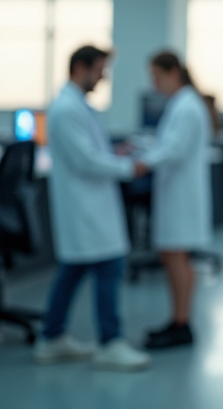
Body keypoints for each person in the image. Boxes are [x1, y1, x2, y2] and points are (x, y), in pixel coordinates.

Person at [35, 45, 151, 370]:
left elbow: (89, 152)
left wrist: (115, 152)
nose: (103, 76)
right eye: (100, 69)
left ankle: (52, 337)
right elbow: (85, 161)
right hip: (83, 205)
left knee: (72, 270)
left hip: (90, 202)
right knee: (108, 266)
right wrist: (130, 167)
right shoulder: (65, 109)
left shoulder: (78, 107)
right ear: (80, 68)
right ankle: (110, 343)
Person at [139, 51, 213, 349]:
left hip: (180, 196)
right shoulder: (183, 104)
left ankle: (181, 323)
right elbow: (168, 145)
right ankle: (178, 320)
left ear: (173, 73)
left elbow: (173, 149)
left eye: (157, 76)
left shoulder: (186, 106)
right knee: (174, 258)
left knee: (177, 258)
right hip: (177, 192)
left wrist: (141, 162)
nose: (154, 84)